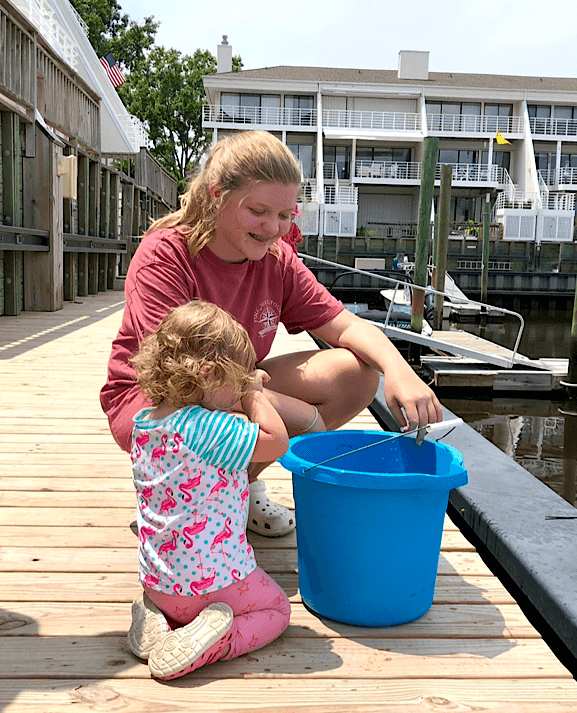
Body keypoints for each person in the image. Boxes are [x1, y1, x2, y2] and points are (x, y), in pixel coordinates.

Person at [100, 130, 442, 536]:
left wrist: (399, 370)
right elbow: (182, 375)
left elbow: (345, 325)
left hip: (237, 386)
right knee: (226, 405)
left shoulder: (277, 259)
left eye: (285, 215)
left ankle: (235, 488)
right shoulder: (165, 254)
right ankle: (174, 494)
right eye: (258, 211)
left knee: (359, 373)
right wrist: (302, 417)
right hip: (160, 396)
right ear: (217, 195)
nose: (273, 228)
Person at [127, 300, 294, 680]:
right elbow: (277, 440)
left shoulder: (144, 424)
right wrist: (255, 393)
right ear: (207, 375)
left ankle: (158, 617)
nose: (237, 393)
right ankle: (218, 641)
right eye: (234, 382)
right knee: (276, 610)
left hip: (159, 584)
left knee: (176, 596)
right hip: (209, 587)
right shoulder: (208, 429)